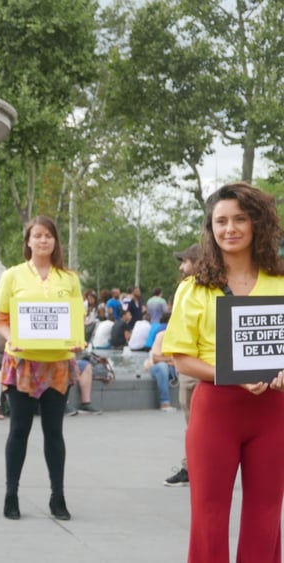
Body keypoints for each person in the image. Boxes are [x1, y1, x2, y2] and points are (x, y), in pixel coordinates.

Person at [164, 182, 284, 561]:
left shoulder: (281, 282)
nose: (230, 228)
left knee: (266, 516)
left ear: (257, 223)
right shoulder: (194, 288)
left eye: (240, 219)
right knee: (209, 516)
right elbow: (181, 358)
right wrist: (229, 374)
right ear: (211, 228)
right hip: (215, 410)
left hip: (274, 410)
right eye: (221, 221)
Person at [0, 216, 83, 521]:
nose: (43, 240)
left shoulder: (68, 278)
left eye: (48, 235)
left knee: (54, 431)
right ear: (28, 241)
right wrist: (12, 338)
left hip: (57, 363)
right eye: (37, 235)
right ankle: (11, 495)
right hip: (23, 363)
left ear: (55, 241)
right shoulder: (12, 275)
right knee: (19, 429)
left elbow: (76, 319)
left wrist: (77, 341)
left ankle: (58, 496)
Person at [164, 243, 201, 487]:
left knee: (194, 425)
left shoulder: (190, 289)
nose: (181, 267)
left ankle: (192, 468)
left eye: (186, 261)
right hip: (198, 363)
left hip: (193, 366)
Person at [148, 324, 176, 412]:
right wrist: (172, 359)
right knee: (162, 367)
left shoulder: (186, 337)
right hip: (159, 367)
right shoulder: (161, 335)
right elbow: (155, 359)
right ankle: (165, 403)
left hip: (175, 367)